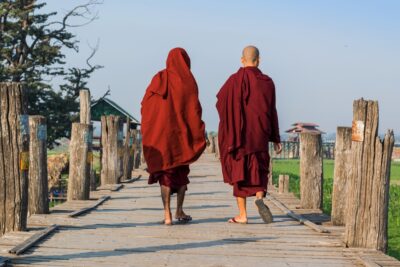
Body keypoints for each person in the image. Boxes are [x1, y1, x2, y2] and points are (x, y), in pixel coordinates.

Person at [216, 45, 282, 224]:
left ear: (242, 60)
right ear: (259, 60)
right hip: (260, 134)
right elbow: (271, 111)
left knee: (240, 172)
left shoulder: (234, 80)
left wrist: (231, 123)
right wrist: (276, 138)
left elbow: (221, 103)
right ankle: (259, 197)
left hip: (240, 136)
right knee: (259, 169)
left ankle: (242, 215)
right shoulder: (268, 82)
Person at [141, 48, 206, 225]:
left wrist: (152, 125)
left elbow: (146, 106)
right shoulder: (188, 82)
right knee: (181, 173)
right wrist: (197, 129)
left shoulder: (158, 79)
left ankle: (167, 214)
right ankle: (179, 210)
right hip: (181, 137)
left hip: (161, 136)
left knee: (166, 174)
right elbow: (194, 110)